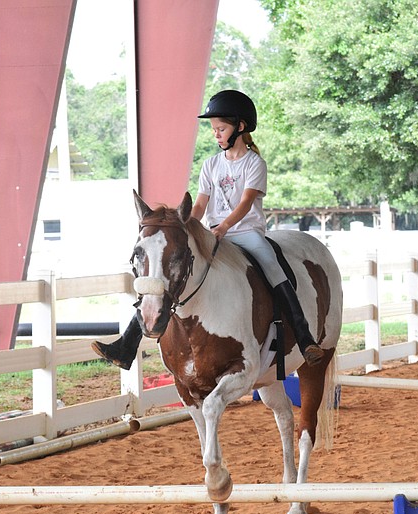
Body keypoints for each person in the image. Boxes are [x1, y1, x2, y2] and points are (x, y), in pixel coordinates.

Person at [92, 90, 324, 370]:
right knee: (168, 277)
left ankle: (304, 336)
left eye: (221, 128)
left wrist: (224, 227)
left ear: (240, 127)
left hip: (246, 233)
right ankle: (126, 345)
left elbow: (246, 202)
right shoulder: (211, 165)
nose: (215, 134)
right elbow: (200, 204)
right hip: (213, 233)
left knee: (274, 269)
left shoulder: (254, 164)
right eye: (213, 129)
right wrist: (186, 225)